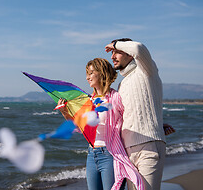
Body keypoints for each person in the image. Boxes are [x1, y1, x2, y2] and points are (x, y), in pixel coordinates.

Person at [57, 58, 144, 190]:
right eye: (87, 73)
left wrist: (157, 125)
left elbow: (133, 117)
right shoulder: (89, 101)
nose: (87, 77)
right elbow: (80, 128)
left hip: (110, 155)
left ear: (102, 73)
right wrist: (64, 112)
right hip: (91, 154)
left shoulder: (115, 98)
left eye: (91, 73)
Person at [105, 38, 167, 190]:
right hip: (128, 151)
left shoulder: (146, 70)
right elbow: (130, 113)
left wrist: (115, 44)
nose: (112, 56)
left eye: (117, 52)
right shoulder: (123, 83)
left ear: (130, 54)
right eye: (112, 52)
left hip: (148, 148)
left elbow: (139, 48)